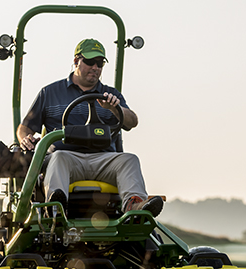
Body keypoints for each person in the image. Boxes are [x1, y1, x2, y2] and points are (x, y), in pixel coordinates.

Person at [17, 38, 163, 217]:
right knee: (57, 158)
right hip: (67, 159)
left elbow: (132, 121)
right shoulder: (50, 93)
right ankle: (55, 209)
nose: (95, 67)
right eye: (90, 62)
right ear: (76, 61)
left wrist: (114, 109)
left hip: (103, 159)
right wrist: (25, 138)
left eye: (100, 63)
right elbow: (25, 127)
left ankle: (134, 208)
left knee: (129, 160)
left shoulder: (110, 95)